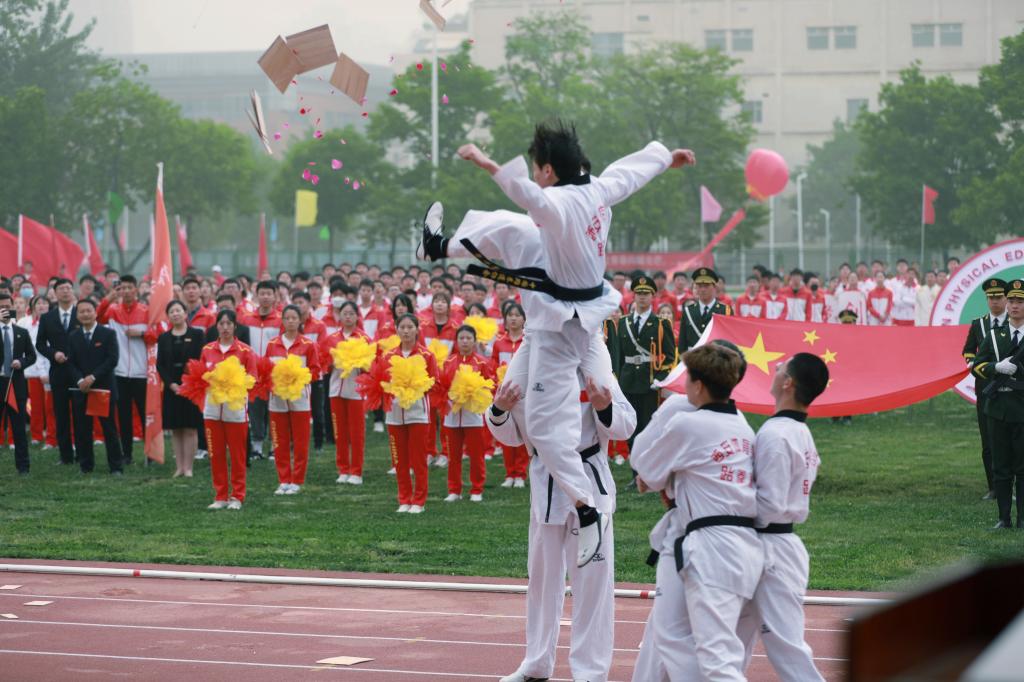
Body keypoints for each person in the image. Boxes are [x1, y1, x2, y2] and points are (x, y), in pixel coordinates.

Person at [421, 121, 694, 565]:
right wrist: (666, 158)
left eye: (535, 166)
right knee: (513, 227)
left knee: (545, 427)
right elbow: (630, 172)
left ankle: (586, 508)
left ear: (548, 170)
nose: (533, 173)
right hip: (571, 317)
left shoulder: (560, 204)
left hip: (563, 325)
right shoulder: (597, 189)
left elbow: (527, 194)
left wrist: (488, 163)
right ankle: (438, 245)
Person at [490, 369, 636, 682]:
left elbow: (626, 425)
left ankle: (590, 672)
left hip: (590, 482)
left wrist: (604, 407)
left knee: (593, 584)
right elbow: (511, 435)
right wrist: (499, 410)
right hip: (546, 485)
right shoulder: (526, 371)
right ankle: (536, 663)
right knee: (542, 580)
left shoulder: (596, 371)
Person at [630, 343, 762, 681]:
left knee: (684, 640)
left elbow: (645, 467)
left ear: (699, 385)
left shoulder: (686, 422)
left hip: (708, 545)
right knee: (717, 645)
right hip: (747, 544)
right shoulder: (743, 426)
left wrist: (659, 473)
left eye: (687, 377)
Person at [737, 353, 830, 681]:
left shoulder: (776, 434)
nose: (775, 369)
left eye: (781, 368)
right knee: (729, 644)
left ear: (788, 383)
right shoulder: (798, 431)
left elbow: (769, 504)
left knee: (786, 649)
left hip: (770, 549)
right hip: (773, 545)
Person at [971, 278, 1024, 529]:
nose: (1014, 305)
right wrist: (996, 367)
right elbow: (977, 366)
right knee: (1001, 466)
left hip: (1022, 408)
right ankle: (1004, 518)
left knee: (1022, 467)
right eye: (1011, 300)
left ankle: (1022, 518)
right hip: (998, 408)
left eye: (1020, 301)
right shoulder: (994, 335)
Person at [200, 310, 258, 510]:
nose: (225, 327)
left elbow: (253, 378)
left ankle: (237, 496)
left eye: (229, 324)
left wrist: (235, 384)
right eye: (221, 323)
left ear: (235, 326)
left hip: (236, 410)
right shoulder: (207, 349)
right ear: (216, 326)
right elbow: (200, 375)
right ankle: (220, 496)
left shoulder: (245, 351)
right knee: (215, 454)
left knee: (237, 455)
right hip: (212, 409)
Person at [266, 305, 321, 495]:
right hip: (277, 399)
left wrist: (300, 378)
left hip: (300, 399)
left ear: (300, 320)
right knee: (279, 440)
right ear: (282, 320)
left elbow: (315, 371)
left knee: (300, 441)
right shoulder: (272, 344)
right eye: (287, 318)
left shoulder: (308, 344)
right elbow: (266, 369)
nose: (290, 321)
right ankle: (283, 479)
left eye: (294, 318)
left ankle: (297, 480)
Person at [617, 275, 675, 455]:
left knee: (647, 424)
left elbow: (670, 356)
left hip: (649, 381)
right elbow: (619, 355)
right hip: (628, 380)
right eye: (639, 293)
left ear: (652, 297)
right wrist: (618, 378)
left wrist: (659, 378)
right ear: (633, 296)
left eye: (646, 293)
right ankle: (633, 461)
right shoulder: (624, 322)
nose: (642, 297)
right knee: (630, 423)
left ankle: (645, 462)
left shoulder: (661, 324)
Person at [962, 278, 1008, 501]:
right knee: (988, 439)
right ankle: (994, 487)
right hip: (986, 387)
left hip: (1012, 386)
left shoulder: (1016, 322)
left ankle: (1012, 484)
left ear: (1006, 299)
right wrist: (972, 362)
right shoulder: (978, 324)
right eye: (991, 298)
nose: (995, 302)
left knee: (1013, 437)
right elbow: (968, 350)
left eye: (998, 297)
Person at [96, 275, 149, 465]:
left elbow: (158, 333)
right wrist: (109, 298)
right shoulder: (113, 311)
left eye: (129, 287)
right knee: (124, 416)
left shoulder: (146, 311)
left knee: (145, 414)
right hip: (119, 373)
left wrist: (141, 333)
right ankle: (127, 454)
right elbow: (96, 317)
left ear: (136, 289)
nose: (126, 291)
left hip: (141, 372)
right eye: (122, 288)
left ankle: (150, 453)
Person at [67, 298, 124, 475]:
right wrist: (80, 380)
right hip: (82, 389)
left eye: (88, 310)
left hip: (103, 389)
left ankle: (116, 466)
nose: (85, 314)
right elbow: (70, 363)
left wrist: (92, 377)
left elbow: (112, 360)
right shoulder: (73, 336)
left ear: (95, 312)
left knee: (109, 429)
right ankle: (86, 465)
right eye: (81, 311)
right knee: (82, 429)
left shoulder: (107, 334)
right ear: (77, 315)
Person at [440, 325, 495, 502]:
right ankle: (454, 490)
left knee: (476, 455)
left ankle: (477, 489)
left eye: (468, 338)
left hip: (474, 417)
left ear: (474, 341)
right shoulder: (448, 362)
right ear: (456, 341)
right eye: (461, 338)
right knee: (453, 456)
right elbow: (442, 386)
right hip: (452, 416)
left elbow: (489, 385)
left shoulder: (482, 362)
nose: (465, 341)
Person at [322, 301, 370, 484]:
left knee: (357, 433)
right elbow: (324, 364)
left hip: (357, 391)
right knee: (339, 432)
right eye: (345, 313)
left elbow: (371, 366)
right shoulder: (331, 338)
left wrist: (360, 363)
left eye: (351, 313)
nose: (348, 317)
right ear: (339, 316)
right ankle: (343, 469)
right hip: (336, 390)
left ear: (357, 316)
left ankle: (356, 472)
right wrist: (332, 362)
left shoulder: (364, 338)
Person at [156, 300, 205, 477]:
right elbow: (160, 364)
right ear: (168, 316)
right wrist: (171, 384)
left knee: (190, 428)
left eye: (178, 310)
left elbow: (201, 359)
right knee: (176, 429)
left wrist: (189, 382)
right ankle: (179, 467)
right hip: (172, 388)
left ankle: (189, 467)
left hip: (191, 387)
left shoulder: (197, 334)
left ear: (185, 313)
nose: (175, 314)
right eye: (172, 312)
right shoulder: (164, 337)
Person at [34, 277, 79, 465]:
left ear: (72, 291)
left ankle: (83, 453)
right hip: (58, 371)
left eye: (68, 288)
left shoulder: (82, 313)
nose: (66, 291)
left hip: (79, 372)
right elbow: (40, 344)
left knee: (80, 414)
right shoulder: (47, 317)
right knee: (61, 415)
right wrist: (53, 354)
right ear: (55, 292)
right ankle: (65, 456)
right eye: (62, 288)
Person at [241, 280, 281, 459]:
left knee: (275, 409)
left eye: (269, 293)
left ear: (274, 296)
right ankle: (256, 446)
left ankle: (274, 445)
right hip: (253, 371)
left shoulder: (280, 320)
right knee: (255, 408)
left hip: (274, 371)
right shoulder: (246, 319)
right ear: (256, 296)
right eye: (262, 293)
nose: (265, 297)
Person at [492, 302, 529, 487]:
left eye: (517, 315)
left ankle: (520, 473)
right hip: (503, 394)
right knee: (506, 430)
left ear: (524, 319)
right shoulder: (499, 342)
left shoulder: (527, 342)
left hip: (523, 394)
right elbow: (493, 365)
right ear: (505, 319)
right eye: (510, 315)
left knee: (522, 431)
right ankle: (509, 473)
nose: (513, 318)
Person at [0, 293, 37, 474]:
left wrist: (21, 362)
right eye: (1, 307)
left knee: (19, 427)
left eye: (7, 306)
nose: (4, 310)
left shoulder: (21, 332)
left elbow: (32, 356)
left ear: (13, 307)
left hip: (16, 384)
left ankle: (23, 467)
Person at [293, 290, 328, 452]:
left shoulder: (319, 325)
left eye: (301, 302)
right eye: (296, 303)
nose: (298, 306)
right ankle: (296, 441)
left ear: (308, 304)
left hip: (314, 374)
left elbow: (322, 349)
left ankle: (318, 443)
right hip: (294, 375)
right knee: (296, 410)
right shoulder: (290, 325)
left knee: (317, 410)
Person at [19, 296, 56, 450]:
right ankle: (36, 435)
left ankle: (52, 437)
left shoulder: (54, 322)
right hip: (32, 370)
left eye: (44, 303)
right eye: (38, 303)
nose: (41, 306)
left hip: (50, 370)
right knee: (35, 405)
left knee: (50, 406)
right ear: (33, 306)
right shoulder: (24, 322)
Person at [678, 267, 731, 352]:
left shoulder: (725, 311)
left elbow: (729, 341)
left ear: (714, 287)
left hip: (716, 356)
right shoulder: (688, 311)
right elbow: (682, 343)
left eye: (706, 286)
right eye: (699, 286)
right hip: (693, 357)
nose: (702, 289)